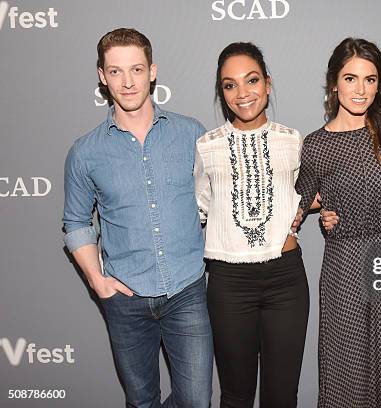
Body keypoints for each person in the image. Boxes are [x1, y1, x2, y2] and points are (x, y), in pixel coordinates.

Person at [62, 28, 213, 407]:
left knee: (196, 401)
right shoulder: (85, 152)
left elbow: (219, 199)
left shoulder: (191, 134)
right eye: (115, 72)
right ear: (102, 76)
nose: (127, 82)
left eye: (136, 69)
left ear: (152, 71)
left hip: (187, 290)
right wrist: (98, 281)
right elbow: (76, 222)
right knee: (141, 401)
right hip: (125, 299)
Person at [295, 38, 381, 408]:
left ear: (379, 84)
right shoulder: (316, 145)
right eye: (350, 78)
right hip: (344, 265)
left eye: (370, 79)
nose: (360, 89)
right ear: (334, 81)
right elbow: (297, 202)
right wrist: (321, 212)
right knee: (347, 369)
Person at [193, 42, 309, 408]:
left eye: (252, 80)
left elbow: (307, 195)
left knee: (281, 396)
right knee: (236, 394)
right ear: (222, 92)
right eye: (230, 85)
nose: (242, 93)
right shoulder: (206, 146)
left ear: (268, 84)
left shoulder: (293, 141)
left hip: (286, 279)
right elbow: (201, 207)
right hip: (229, 282)